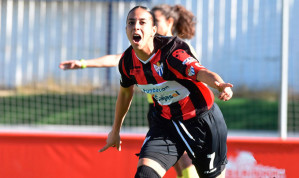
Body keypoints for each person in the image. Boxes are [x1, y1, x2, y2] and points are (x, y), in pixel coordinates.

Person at [59, 4, 199, 178]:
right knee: (177, 166)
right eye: (134, 22)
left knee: (187, 162)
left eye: (150, 21)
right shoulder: (141, 53)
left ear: (167, 23)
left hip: (186, 113)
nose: (140, 26)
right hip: (159, 114)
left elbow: (199, 82)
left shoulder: (180, 51)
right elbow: (117, 60)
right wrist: (84, 63)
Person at [99, 6, 233, 178]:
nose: (136, 27)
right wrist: (115, 130)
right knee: (144, 175)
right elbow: (125, 93)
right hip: (165, 123)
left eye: (142, 22)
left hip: (202, 121)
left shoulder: (172, 52)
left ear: (153, 30)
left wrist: (220, 84)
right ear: (126, 29)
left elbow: (201, 72)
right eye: (131, 23)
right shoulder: (127, 63)